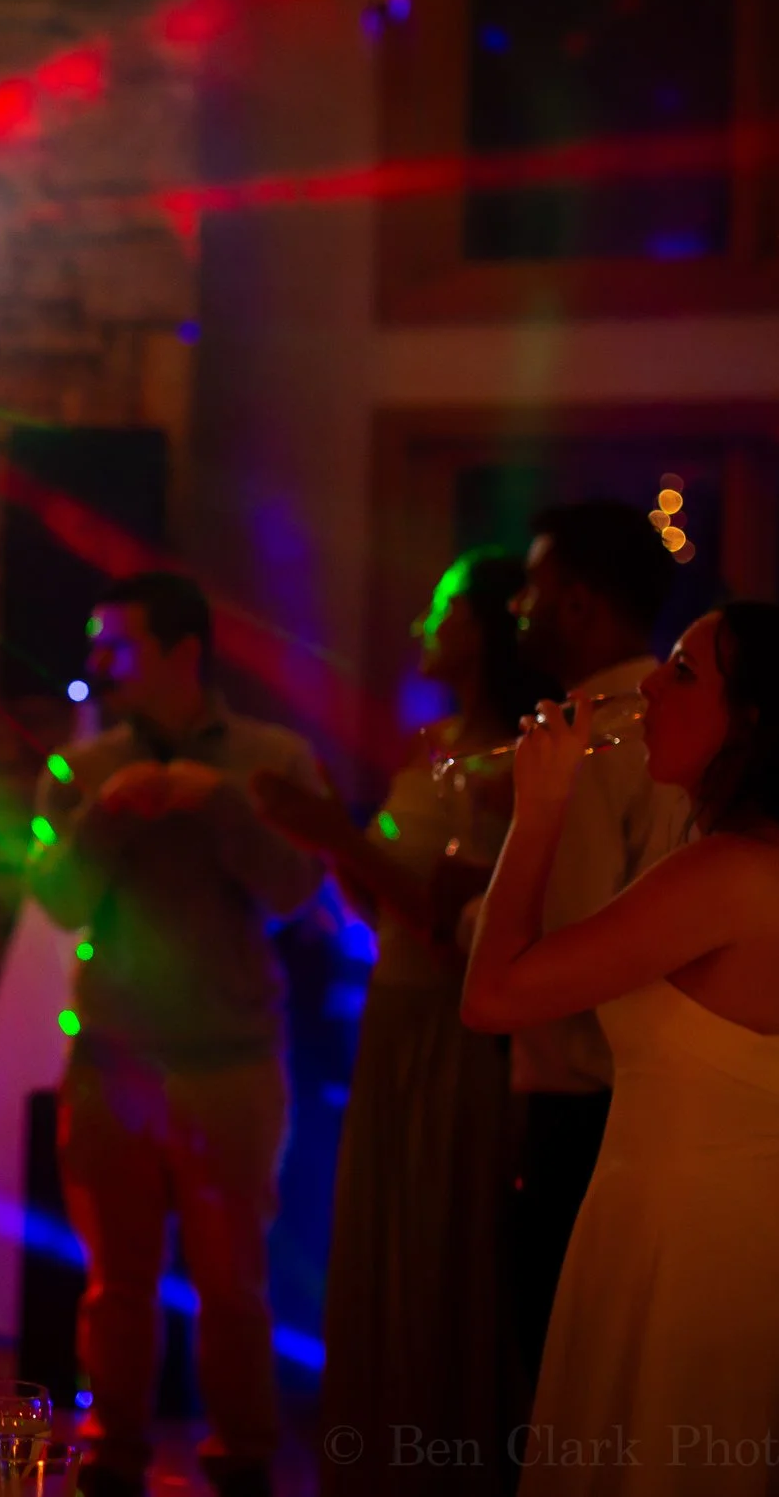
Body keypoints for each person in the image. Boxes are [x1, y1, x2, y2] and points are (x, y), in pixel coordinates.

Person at [463, 604, 779, 1494]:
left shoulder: (729, 870)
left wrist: (540, 810)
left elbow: (493, 995)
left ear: (754, 721)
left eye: (684, 671)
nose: (650, 683)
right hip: (741, 1236)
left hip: (694, 1259)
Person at [252, 552, 554, 1497]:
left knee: (438, 1245)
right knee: (382, 1241)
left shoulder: (515, 761)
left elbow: (455, 924)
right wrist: (328, 843)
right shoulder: (430, 744)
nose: (424, 625)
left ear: (487, 628)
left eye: (444, 607)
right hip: (392, 1012)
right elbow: (391, 908)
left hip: (454, 1026)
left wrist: (336, 831)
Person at [27, 571, 328, 1497]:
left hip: (232, 1063)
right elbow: (56, 900)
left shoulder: (273, 758)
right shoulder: (82, 768)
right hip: (111, 1060)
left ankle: (241, 1458)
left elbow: (297, 889)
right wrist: (105, 815)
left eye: (116, 645)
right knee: (114, 1283)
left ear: (183, 652)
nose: (97, 662)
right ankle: (112, 1456)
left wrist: (221, 802)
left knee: (234, 1285)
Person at [492, 504, 691, 1422]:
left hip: (583, 1101)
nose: (518, 606)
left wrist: (462, 912)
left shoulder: (593, 735)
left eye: (531, 588)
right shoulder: (662, 727)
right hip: (646, 1093)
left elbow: (560, 946)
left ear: (577, 603)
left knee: (567, 1379)